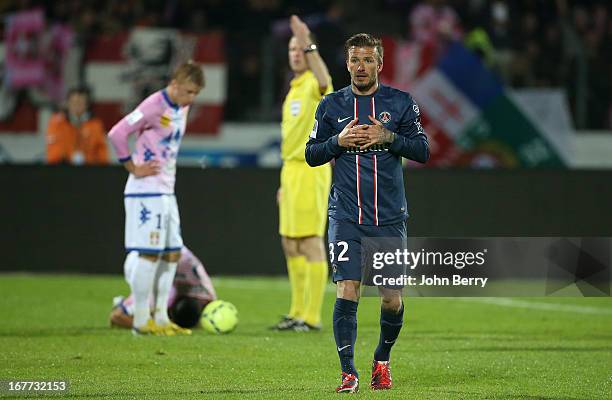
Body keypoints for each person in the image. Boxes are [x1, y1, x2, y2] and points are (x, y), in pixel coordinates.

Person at [305, 34, 429, 392]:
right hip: (345, 216)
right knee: (348, 288)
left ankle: (382, 360)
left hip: (389, 217)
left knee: (391, 297)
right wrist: (337, 143)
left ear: (380, 64)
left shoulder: (401, 103)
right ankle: (348, 372)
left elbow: (422, 150)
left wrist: (388, 137)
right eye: (355, 60)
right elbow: (312, 154)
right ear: (347, 64)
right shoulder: (330, 106)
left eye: (368, 60)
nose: (361, 67)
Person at [107, 61, 204, 336]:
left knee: (172, 251)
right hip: (145, 190)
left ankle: (161, 317)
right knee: (149, 254)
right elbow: (117, 133)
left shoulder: (180, 107)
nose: (191, 98)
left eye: (195, 93)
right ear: (174, 85)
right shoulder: (153, 105)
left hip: (165, 190)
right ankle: (139, 320)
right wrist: (132, 166)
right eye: (188, 91)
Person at [273, 15, 333, 332]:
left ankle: (312, 317)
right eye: (292, 49)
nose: (296, 53)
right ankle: (296, 311)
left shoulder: (313, 83)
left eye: (300, 49)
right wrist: (285, 183)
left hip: (311, 169)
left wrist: (307, 40)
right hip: (291, 171)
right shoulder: (294, 87)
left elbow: (324, 77)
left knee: (310, 240)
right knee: (289, 242)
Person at [110, 246, 217, 331]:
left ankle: (133, 305)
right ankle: (126, 304)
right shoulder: (165, 291)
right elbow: (117, 316)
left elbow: (211, 302)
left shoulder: (191, 273)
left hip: (163, 254)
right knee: (157, 302)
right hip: (140, 258)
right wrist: (151, 328)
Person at [46, 87, 109, 165]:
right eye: (74, 103)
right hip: (63, 169)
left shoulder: (95, 125)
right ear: (68, 104)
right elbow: (53, 152)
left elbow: (102, 152)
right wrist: (69, 158)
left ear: (86, 105)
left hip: (90, 169)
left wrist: (88, 159)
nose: (77, 107)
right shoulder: (57, 123)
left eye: (80, 103)